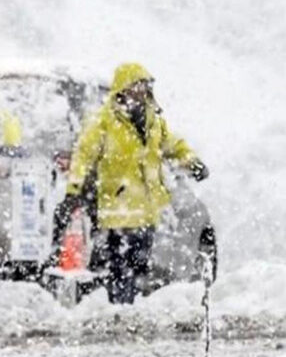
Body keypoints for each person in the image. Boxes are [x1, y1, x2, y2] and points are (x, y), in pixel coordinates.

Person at [58, 63, 208, 304]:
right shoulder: (104, 122)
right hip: (117, 211)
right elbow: (83, 156)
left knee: (138, 268)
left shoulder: (153, 121)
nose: (142, 90)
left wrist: (192, 163)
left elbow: (173, 146)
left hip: (146, 211)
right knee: (120, 268)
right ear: (123, 88)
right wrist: (73, 191)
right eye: (137, 85)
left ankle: (129, 309)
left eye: (145, 86)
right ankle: (120, 309)